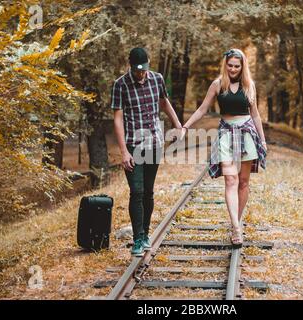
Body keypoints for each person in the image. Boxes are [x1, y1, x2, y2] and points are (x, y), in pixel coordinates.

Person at [180, 48, 268, 247]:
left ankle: (236, 220)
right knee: (230, 179)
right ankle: (236, 228)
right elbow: (203, 109)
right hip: (226, 133)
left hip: (247, 133)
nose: (233, 69)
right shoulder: (218, 84)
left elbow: (255, 115)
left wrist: (262, 140)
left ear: (242, 66)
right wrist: (186, 126)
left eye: (237, 66)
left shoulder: (249, 85)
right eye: (230, 65)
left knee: (244, 182)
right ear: (225, 65)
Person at [111, 47, 182, 256]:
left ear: (148, 64)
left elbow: (164, 102)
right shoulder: (120, 85)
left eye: (143, 70)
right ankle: (137, 238)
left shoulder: (157, 79)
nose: (141, 74)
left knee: (148, 192)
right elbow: (118, 119)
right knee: (137, 191)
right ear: (130, 65)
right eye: (137, 70)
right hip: (133, 145)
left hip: (154, 144)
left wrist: (177, 124)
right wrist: (124, 151)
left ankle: (146, 233)